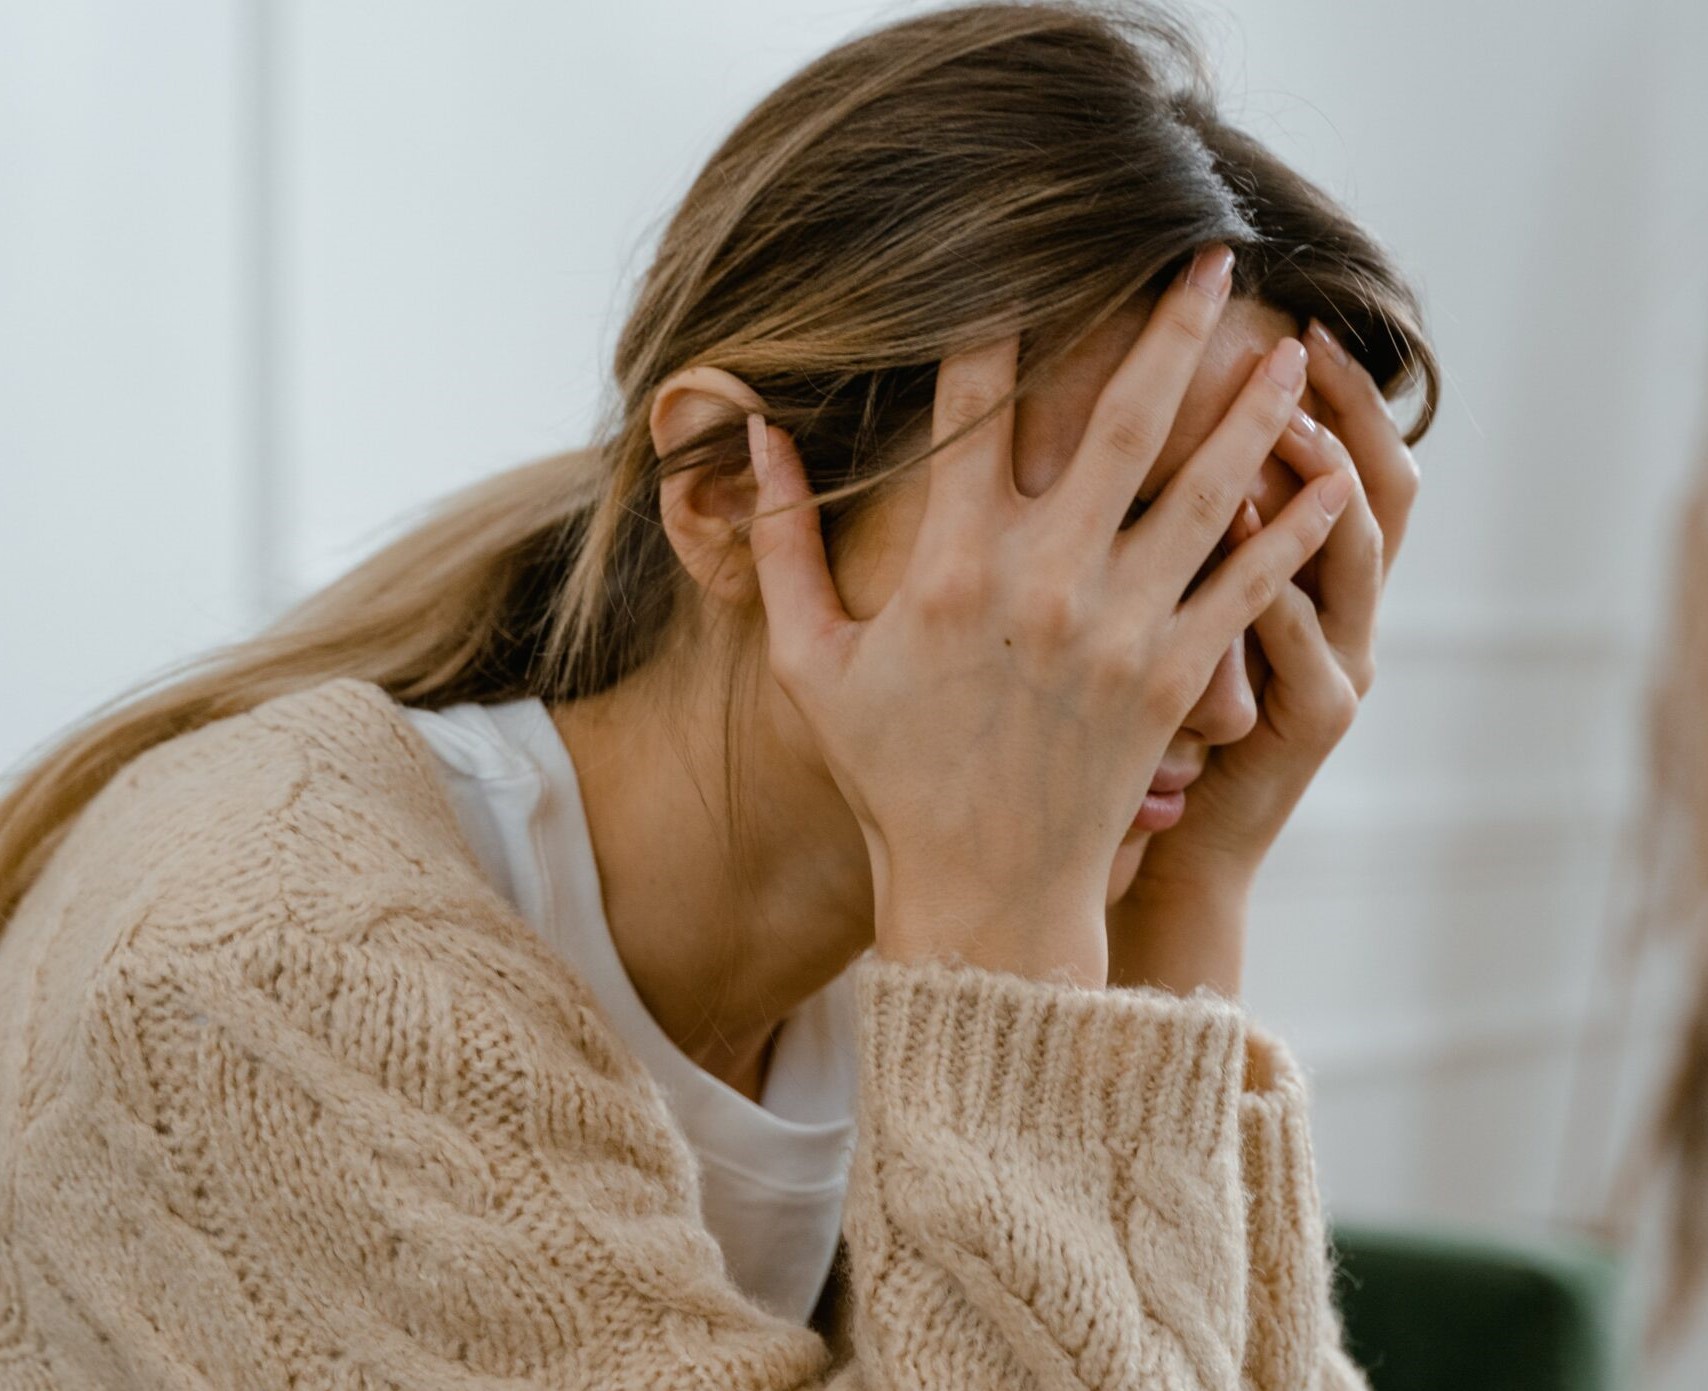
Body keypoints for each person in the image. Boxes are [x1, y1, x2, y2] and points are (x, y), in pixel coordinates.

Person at [0, 1, 1439, 1385]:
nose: (1216, 696)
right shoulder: (268, 976)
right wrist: (1028, 963)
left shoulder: (945, 930)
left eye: (1267, 578)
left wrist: (1179, 908)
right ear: (724, 494)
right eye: (1118, 543)